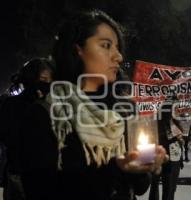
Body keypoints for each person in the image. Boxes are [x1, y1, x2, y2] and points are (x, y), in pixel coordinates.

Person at [19, 10, 167, 200]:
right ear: (77, 49)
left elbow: (139, 188)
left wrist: (143, 166)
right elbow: (39, 189)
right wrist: (115, 168)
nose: (118, 57)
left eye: (117, 47)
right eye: (106, 45)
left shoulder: (123, 111)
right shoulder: (45, 114)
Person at [0, 57, 53, 200]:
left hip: (45, 177)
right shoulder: (11, 104)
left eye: (49, 80)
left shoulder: (50, 106)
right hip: (18, 175)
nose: (46, 84)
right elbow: (9, 137)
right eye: (42, 79)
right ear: (31, 78)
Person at [149, 97, 184, 200]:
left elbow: (180, 142)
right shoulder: (159, 123)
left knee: (169, 187)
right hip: (161, 157)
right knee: (160, 186)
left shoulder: (176, 124)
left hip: (173, 159)